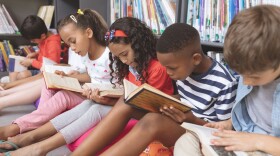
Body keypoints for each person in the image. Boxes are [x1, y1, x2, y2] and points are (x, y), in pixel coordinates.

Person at [0, 17, 175, 156]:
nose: (123, 61)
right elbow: (128, 95)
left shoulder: (156, 69)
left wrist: (110, 101)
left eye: (124, 54)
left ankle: (39, 147)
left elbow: (146, 107)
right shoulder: (131, 66)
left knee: (97, 108)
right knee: (89, 104)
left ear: (137, 44)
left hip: (144, 114)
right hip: (128, 107)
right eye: (119, 57)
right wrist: (108, 98)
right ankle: (32, 138)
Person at [70, 22, 237, 155]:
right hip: (182, 118)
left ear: (195, 59)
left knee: (152, 122)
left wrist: (191, 119)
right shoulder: (183, 69)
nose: (168, 72)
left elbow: (221, 131)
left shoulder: (224, 83)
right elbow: (187, 99)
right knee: (127, 100)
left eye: (171, 68)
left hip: (197, 131)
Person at [174, 5, 280, 156]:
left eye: (254, 77)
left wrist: (256, 141)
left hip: (268, 147)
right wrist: (228, 123)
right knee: (186, 143)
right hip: (242, 134)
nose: (246, 82)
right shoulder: (254, 67)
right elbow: (250, 112)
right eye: (241, 75)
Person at [0, 9, 110, 141]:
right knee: (48, 83)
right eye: (69, 44)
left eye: (73, 41)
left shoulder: (108, 55)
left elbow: (116, 85)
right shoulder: (86, 54)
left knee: (62, 96)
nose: (72, 48)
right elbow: (90, 76)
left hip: (99, 97)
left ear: (88, 32)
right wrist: (67, 77)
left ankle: (18, 127)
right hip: (88, 91)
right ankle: (34, 121)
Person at [8, 15, 62, 82]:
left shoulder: (53, 43)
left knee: (23, 75)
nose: (32, 42)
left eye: (33, 40)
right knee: (13, 70)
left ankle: (12, 87)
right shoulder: (44, 38)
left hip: (46, 72)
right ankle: (10, 86)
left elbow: (51, 67)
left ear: (43, 36)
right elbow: (45, 52)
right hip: (40, 67)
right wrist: (36, 54)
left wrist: (32, 62)